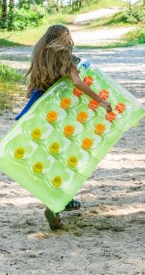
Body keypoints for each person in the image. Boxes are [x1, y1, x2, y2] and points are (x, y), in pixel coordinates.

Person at [16, 24, 112, 230]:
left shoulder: (40, 55)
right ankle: (57, 203)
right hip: (58, 115)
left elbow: (31, 87)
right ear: (64, 39)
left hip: (37, 113)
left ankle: (61, 201)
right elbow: (77, 82)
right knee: (64, 159)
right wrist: (100, 101)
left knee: (47, 158)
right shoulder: (65, 59)